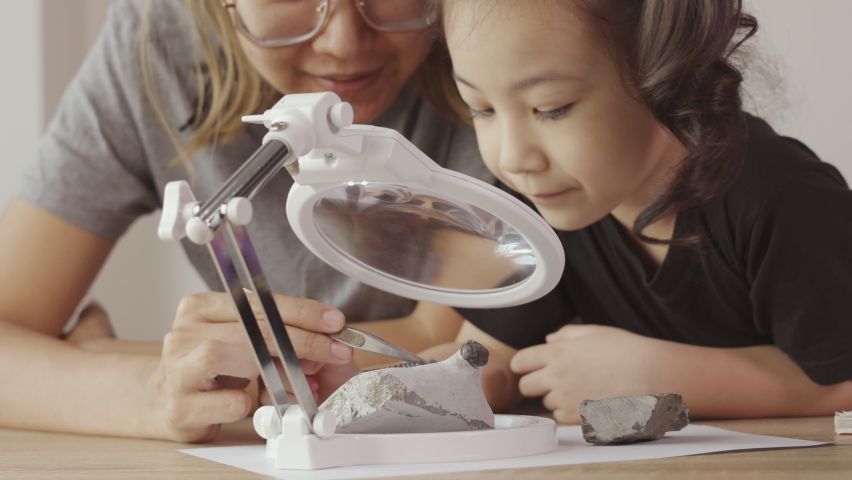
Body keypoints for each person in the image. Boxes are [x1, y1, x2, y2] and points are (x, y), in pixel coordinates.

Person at [0, 0, 494, 442]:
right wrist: (151, 392)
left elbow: (453, 353)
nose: (344, 43)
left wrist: (104, 358)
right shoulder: (157, 41)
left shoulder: (490, 31)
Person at [415, 0, 852, 423]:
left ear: (665, 72)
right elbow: (492, 358)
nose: (512, 158)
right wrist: (419, 384)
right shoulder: (543, 200)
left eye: (551, 108)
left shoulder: (782, 200)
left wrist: (666, 380)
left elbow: (843, 379)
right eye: (482, 108)